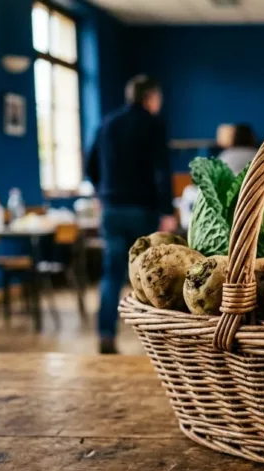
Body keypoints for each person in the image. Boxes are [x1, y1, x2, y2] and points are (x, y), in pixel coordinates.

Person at [87, 74, 176, 355]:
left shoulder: (107, 123)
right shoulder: (153, 124)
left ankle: (105, 333)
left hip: (111, 210)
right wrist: (167, 210)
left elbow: (90, 166)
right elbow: (161, 170)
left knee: (111, 274)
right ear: (150, 97)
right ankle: (154, 338)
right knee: (150, 273)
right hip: (143, 209)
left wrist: (103, 194)